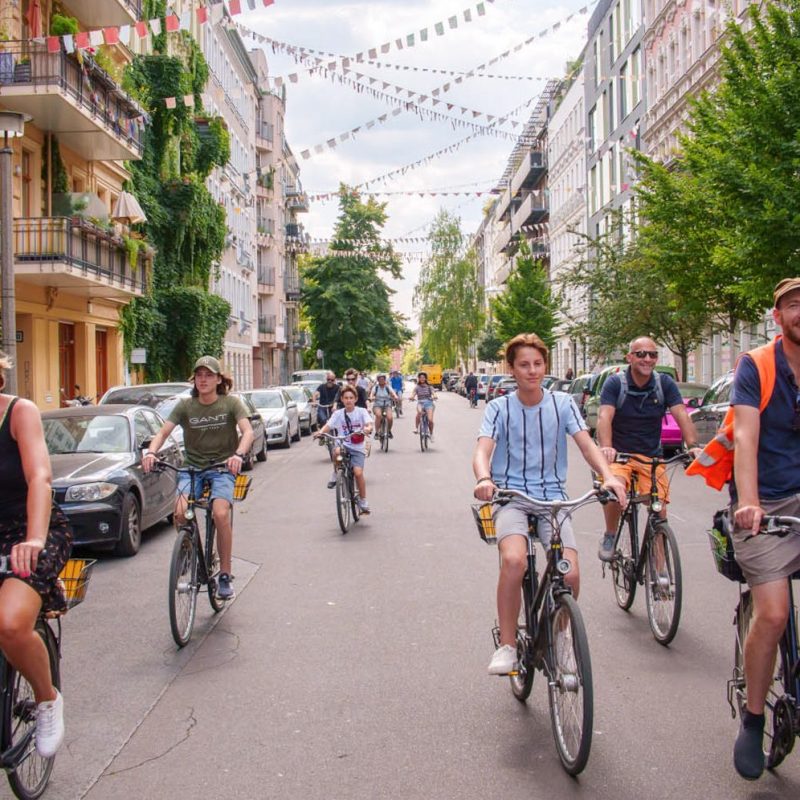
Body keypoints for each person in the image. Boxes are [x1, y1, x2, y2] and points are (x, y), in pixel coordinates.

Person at [473, 334, 627, 674]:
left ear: (545, 365)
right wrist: (485, 479)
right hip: (512, 498)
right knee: (514, 561)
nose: (532, 371)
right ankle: (508, 645)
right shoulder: (499, 407)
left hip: (553, 500)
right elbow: (483, 449)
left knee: (569, 575)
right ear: (511, 369)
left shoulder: (562, 403)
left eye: (538, 364)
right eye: (524, 365)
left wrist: (608, 476)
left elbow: (587, 446)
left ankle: (560, 636)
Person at [723, 278, 800, 780]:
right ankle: (754, 718)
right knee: (773, 614)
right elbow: (745, 437)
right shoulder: (757, 365)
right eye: (794, 306)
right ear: (778, 316)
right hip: (767, 501)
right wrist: (748, 501)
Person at [0, 351, 72, 758]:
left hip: (32, 528)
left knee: (10, 624)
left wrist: (34, 539)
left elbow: (39, 478)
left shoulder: (18, 412)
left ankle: (47, 699)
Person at [143, 356, 253, 600]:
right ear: (194, 380)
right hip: (191, 468)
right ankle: (188, 550)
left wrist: (238, 454)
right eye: (199, 375)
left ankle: (225, 573)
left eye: (209, 375)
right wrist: (151, 452)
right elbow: (162, 432)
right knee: (181, 512)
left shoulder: (230, 404)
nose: (203, 380)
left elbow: (247, 432)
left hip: (222, 467)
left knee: (220, 513)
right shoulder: (185, 406)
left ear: (218, 379)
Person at [596, 336, 700, 562]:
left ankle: (660, 570)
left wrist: (692, 447)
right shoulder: (615, 384)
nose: (647, 359)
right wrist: (606, 448)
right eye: (641, 354)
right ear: (630, 357)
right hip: (620, 455)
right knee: (614, 492)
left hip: (651, 457)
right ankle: (611, 534)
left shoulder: (664, 384)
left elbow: (681, 414)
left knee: (659, 511)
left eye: (652, 354)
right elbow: (605, 416)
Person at [314, 385, 373, 513]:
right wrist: (320, 432)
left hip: (357, 447)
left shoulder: (361, 412)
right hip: (343, 444)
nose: (348, 400)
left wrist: (367, 429)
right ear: (342, 399)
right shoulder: (338, 414)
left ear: (356, 399)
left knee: (358, 473)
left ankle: (363, 501)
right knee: (336, 451)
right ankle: (336, 473)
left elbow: (369, 424)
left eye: (351, 398)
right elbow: (328, 425)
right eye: (346, 398)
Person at [369, 374, 398, 439]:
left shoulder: (388, 387)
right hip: (377, 405)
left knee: (390, 418)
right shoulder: (375, 387)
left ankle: (389, 431)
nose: (381, 381)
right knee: (378, 415)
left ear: (385, 380)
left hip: (387, 405)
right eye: (380, 379)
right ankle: (377, 433)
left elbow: (393, 393)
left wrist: (395, 396)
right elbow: (372, 394)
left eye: (383, 379)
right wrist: (371, 398)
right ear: (378, 380)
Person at [411, 371, 436, 441]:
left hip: (429, 403)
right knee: (419, 413)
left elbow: (433, 393)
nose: (422, 379)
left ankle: (431, 434)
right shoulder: (417, 387)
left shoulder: (429, 387)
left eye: (423, 377)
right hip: (420, 403)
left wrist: (435, 396)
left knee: (430, 420)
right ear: (418, 379)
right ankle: (416, 428)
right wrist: (412, 397)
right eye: (420, 377)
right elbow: (413, 393)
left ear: (425, 378)